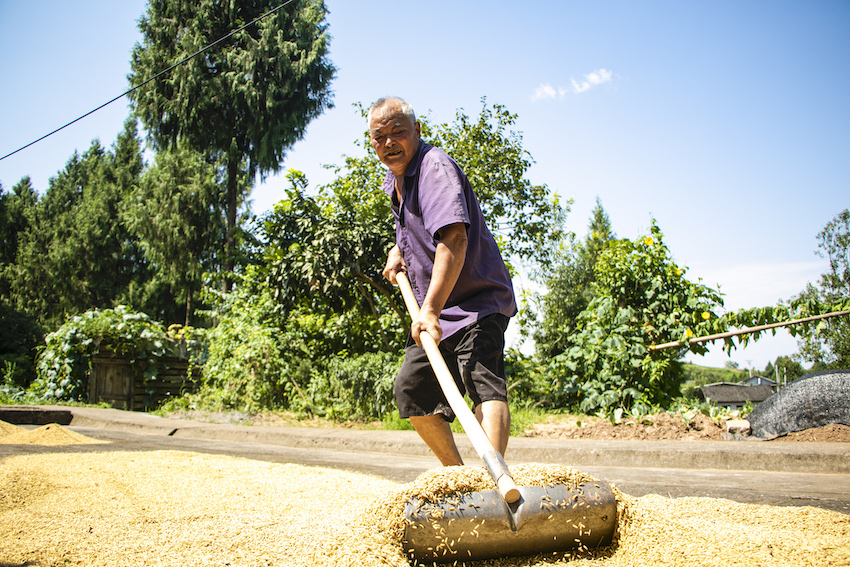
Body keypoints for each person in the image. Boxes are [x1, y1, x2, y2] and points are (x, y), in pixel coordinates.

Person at [369, 96, 517, 466]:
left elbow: (453, 239)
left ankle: (494, 483)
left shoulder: (433, 166)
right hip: (435, 312)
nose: (389, 142)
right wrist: (398, 250)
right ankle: (457, 477)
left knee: (482, 383)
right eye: (379, 136)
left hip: (474, 302)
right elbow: (418, 231)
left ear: (417, 131)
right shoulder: (396, 180)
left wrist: (430, 310)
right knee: (413, 389)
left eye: (398, 132)